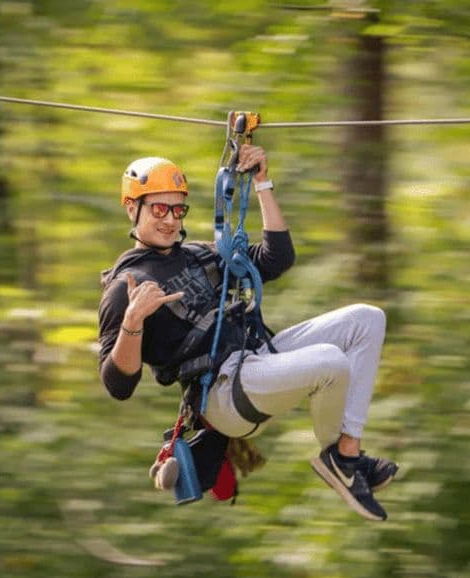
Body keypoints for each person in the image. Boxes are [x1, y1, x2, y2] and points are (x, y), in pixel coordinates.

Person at [97, 144, 398, 521]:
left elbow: (276, 258)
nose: (171, 220)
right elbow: (117, 385)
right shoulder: (125, 288)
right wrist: (133, 322)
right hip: (222, 393)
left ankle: (347, 452)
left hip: (256, 360)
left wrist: (262, 182)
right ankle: (339, 462)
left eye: (178, 210)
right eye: (159, 209)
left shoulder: (199, 256)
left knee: (367, 319)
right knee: (331, 362)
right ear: (132, 208)